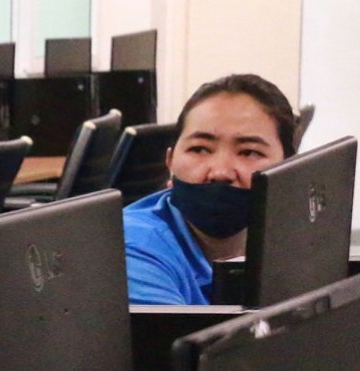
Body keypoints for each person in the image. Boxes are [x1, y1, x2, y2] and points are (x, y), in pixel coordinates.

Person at [123, 73, 299, 305]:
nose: (220, 172)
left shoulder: (300, 234)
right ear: (170, 162)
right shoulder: (132, 246)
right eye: (200, 149)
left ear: (288, 167)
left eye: (249, 152)